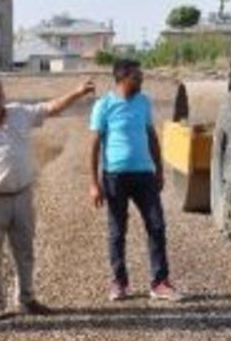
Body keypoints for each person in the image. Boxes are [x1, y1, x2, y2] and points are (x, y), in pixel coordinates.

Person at [0, 76, 95, 321]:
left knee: (25, 250)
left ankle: (27, 299)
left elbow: (52, 108)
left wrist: (78, 92)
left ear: (4, 96)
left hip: (22, 195)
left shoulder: (19, 113)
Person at [88, 59, 182, 302]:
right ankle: (119, 282)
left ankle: (159, 282)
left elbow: (151, 136)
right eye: (137, 76)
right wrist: (94, 183)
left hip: (144, 175)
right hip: (115, 177)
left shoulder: (143, 102)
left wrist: (159, 169)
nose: (141, 79)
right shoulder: (104, 105)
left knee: (157, 225)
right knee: (117, 231)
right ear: (123, 78)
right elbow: (94, 145)